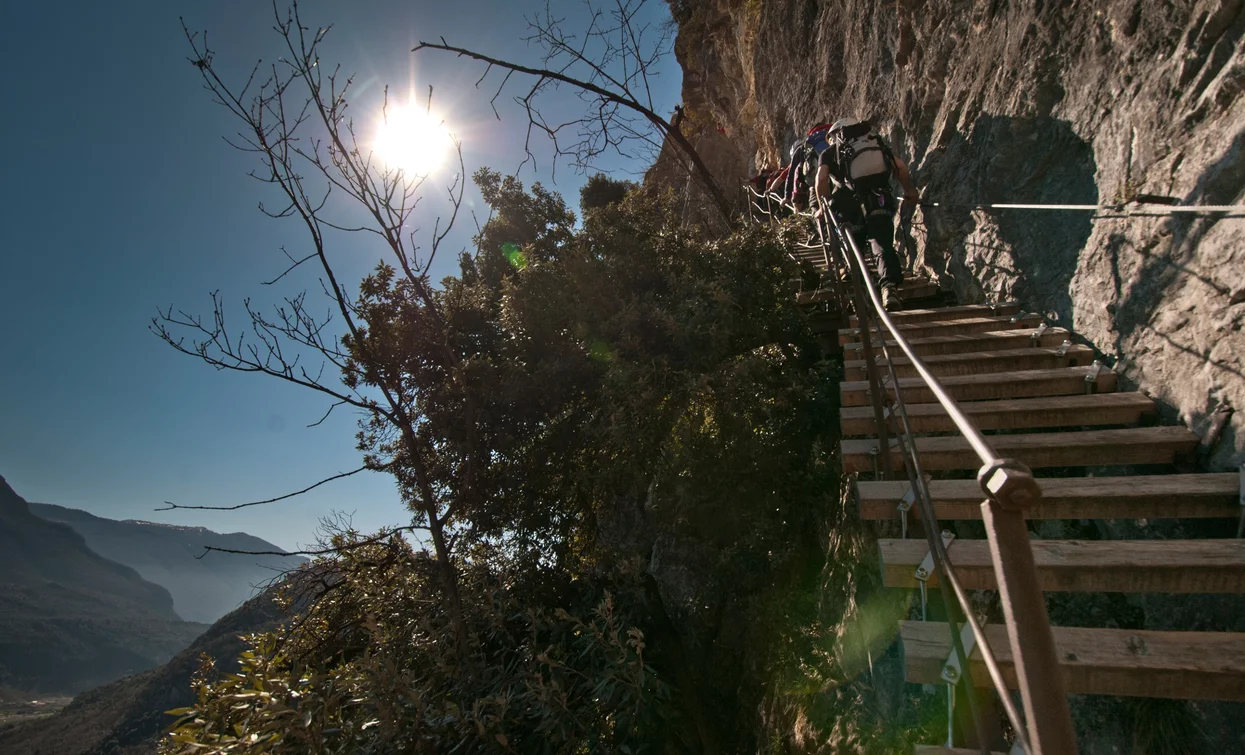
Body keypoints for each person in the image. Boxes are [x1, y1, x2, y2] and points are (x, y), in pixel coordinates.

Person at [812, 118, 918, 310]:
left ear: (834, 136)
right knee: (882, 242)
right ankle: (889, 289)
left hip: (849, 206)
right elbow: (900, 167)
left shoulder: (829, 153)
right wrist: (909, 189)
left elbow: (821, 180)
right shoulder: (875, 142)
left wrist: (823, 206)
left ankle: (859, 295)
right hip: (879, 199)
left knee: (854, 247)